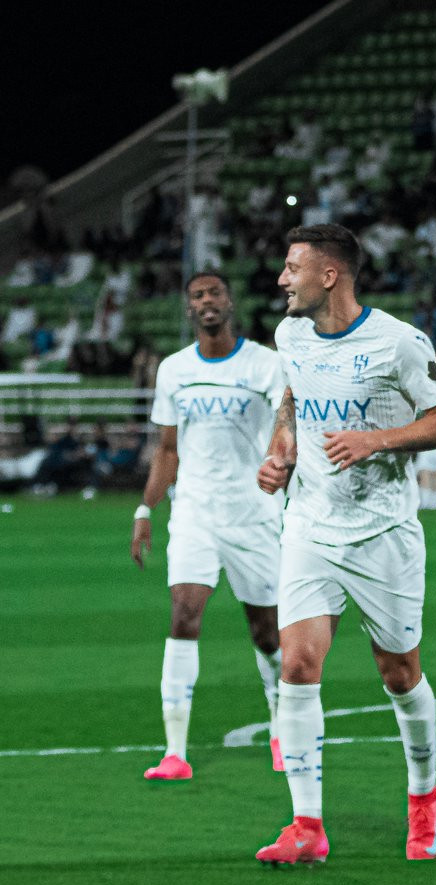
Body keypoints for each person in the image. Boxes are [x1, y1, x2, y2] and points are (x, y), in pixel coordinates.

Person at [254, 223, 436, 866]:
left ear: (329, 276)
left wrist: (376, 439)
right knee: (297, 666)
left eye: (292, 268)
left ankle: (423, 797)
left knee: (399, 674)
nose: (282, 280)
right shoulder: (291, 335)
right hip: (310, 526)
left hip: (383, 534)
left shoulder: (399, 343)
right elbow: (293, 394)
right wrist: (282, 446)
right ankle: (306, 827)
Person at [131, 271, 287, 781]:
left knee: (266, 631)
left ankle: (281, 727)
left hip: (254, 513)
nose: (206, 301)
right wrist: (145, 509)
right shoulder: (174, 369)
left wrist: (284, 471)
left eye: (214, 292)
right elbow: (167, 449)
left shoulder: (264, 364)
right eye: (197, 296)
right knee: (183, 616)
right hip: (195, 513)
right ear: (189, 309)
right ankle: (174, 752)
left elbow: (286, 429)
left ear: (230, 301)